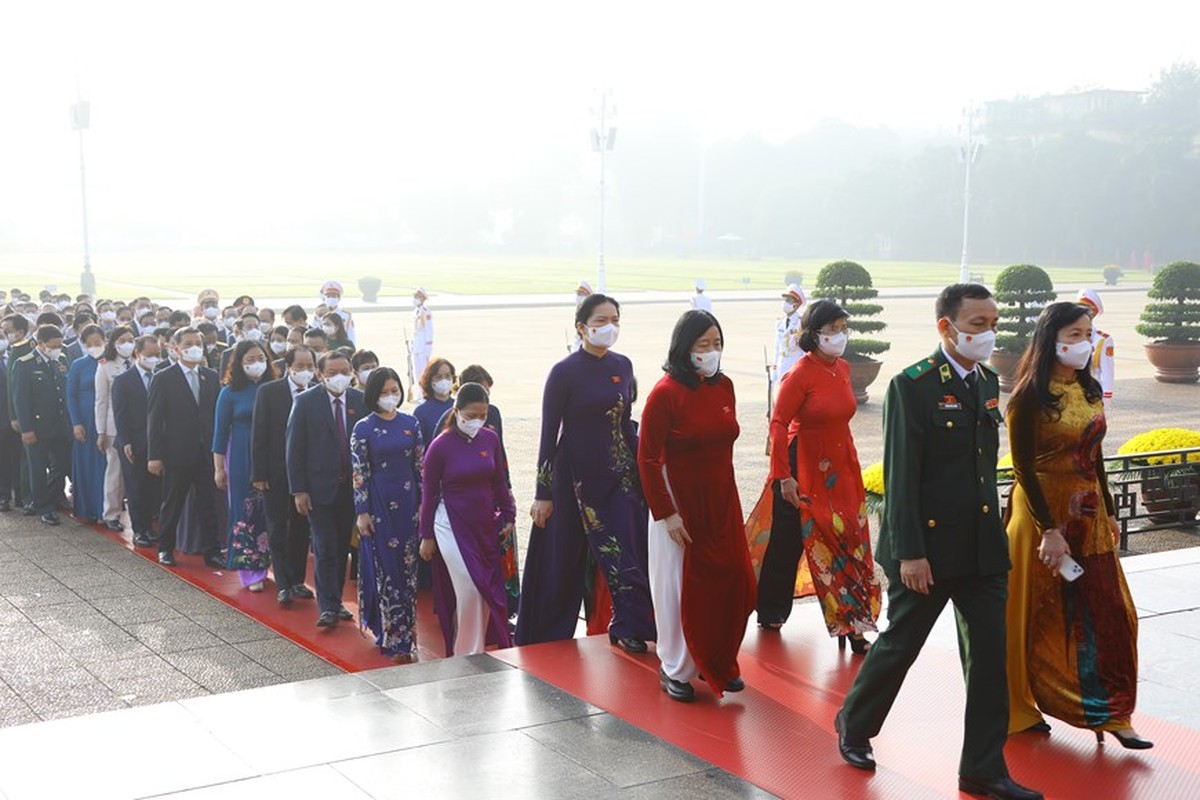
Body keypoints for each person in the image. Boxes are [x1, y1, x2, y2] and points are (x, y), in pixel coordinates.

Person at [835, 284, 1042, 800]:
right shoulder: (914, 385)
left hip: (981, 548)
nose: (988, 333)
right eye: (976, 324)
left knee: (990, 658)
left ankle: (982, 769)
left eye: (992, 322)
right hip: (925, 550)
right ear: (945, 328)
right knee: (902, 644)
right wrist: (908, 552)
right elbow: (902, 475)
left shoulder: (988, 382)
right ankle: (854, 725)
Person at [1004, 302, 1149, 748]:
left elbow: (1096, 456)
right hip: (1043, 517)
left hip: (1089, 515)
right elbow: (1023, 468)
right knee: (1041, 618)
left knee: (1112, 614)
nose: (1084, 342)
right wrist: (1049, 529)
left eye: (1088, 333)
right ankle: (1027, 706)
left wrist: (1108, 508)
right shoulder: (1029, 395)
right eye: (1073, 334)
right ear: (1051, 339)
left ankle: (1112, 712)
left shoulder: (1087, 391)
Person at [516, 294, 657, 651]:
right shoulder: (564, 373)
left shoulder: (624, 366)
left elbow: (626, 425)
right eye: (600, 320)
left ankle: (629, 626)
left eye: (615, 319)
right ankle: (547, 639)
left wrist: (642, 473)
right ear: (581, 327)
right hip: (572, 480)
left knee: (629, 551)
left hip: (618, 476)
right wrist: (542, 493)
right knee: (562, 561)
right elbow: (549, 435)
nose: (609, 327)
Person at [637, 310, 755, 702]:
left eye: (717, 344)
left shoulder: (725, 388)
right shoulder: (665, 393)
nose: (711, 352)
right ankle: (676, 668)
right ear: (684, 348)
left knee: (734, 579)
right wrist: (666, 512)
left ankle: (718, 661)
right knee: (677, 586)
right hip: (678, 503)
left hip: (721, 499)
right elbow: (648, 459)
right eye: (703, 345)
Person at [753, 299, 880, 650]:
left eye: (843, 328)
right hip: (802, 464)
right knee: (789, 541)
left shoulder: (841, 368)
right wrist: (783, 476)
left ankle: (854, 623)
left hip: (842, 465)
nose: (840, 335)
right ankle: (771, 610)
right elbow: (778, 424)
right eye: (833, 329)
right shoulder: (800, 374)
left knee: (850, 536)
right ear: (814, 334)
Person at [418, 382, 515, 656]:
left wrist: (508, 514)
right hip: (450, 524)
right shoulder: (440, 446)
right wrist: (426, 536)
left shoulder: (490, 439)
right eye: (471, 415)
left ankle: (472, 645)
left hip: (483, 524)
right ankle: (468, 654)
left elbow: (498, 481)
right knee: (470, 587)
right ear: (457, 411)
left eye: (482, 415)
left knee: (483, 589)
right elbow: (429, 494)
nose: (477, 421)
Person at [286, 350, 365, 627]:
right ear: (320, 375)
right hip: (319, 490)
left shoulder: (359, 400)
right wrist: (299, 490)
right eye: (332, 373)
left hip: (350, 490)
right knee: (324, 546)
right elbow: (294, 449)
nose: (339, 377)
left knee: (342, 547)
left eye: (344, 371)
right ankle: (328, 606)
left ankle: (337, 600)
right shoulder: (306, 402)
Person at [352, 368, 424, 662]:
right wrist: (361, 512)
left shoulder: (411, 423)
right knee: (386, 572)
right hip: (379, 505)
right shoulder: (363, 428)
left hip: (409, 505)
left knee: (409, 573)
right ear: (373, 395)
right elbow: (359, 473)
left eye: (394, 390)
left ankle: (407, 636)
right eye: (384, 392)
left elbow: (421, 467)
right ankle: (392, 636)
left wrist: (425, 504)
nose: (390, 396)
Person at [147, 327, 224, 568]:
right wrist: (154, 456)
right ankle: (166, 548)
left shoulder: (211, 376)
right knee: (172, 503)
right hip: (177, 453)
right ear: (176, 348)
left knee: (207, 504)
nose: (194, 347)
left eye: (197, 343)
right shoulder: (163, 377)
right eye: (188, 343)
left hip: (206, 453)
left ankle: (211, 551)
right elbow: (154, 419)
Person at [251, 345, 316, 606]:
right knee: (277, 526)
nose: (305, 371)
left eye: (310, 366)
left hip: (307, 474)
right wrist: (259, 472)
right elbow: (259, 434)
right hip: (275, 471)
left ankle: (298, 579)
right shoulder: (269, 392)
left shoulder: (316, 393)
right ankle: (283, 584)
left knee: (301, 528)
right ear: (288, 366)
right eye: (299, 366)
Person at [213, 340, 276, 592]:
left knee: (270, 511)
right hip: (240, 457)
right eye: (249, 360)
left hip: (271, 457)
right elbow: (219, 433)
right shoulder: (229, 393)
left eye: (260, 357)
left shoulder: (273, 389)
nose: (256, 363)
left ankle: (271, 564)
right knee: (245, 512)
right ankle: (250, 571)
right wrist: (219, 467)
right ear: (238, 364)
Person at [12, 325, 72, 526]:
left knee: (62, 464)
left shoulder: (59, 359)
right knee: (37, 468)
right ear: (41, 344)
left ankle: (48, 496)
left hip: (59, 425)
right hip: (37, 426)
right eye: (53, 345)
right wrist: (26, 428)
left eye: (59, 345)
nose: (57, 349)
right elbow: (21, 399)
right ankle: (43, 507)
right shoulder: (25, 364)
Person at [112, 335, 162, 548]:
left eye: (157, 355)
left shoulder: (161, 377)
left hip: (156, 443)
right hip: (133, 443)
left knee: (154, 489)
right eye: (149, 355)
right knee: (136, 489)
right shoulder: (123, 380)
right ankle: (140, 530)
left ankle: (151, 528)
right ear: (137, 353)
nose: (154, 359)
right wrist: (126, 442)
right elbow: (120, 414)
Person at [94, 325, 136, 531]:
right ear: (114, 343)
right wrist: (101, 431)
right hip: (114, 427)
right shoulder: (106, 366)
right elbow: (101, 401)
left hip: (138, 427)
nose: (127, 344)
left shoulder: (139, 362)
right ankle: (111, 513)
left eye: (131, 339)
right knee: (115, 472)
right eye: (122, 341)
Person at [66, 324, 108, 523]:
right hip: (85, 419)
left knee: (106, 466)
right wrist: (76, 423)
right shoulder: (78, 365)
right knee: (86, 465)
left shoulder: (109, 362)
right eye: (89, 344)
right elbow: (71, 396)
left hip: (106, 420)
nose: (94, 347)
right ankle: (88, 508)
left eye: (97, 343)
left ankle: (104, 509)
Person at [1075, 289, 1115, 403]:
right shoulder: (1069, 334)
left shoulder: (1102, 340)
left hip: (1091, 392)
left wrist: (1107, 398)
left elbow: (1107, 371)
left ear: (1092, 314)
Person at [413, 358, 456, 447]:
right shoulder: (421, 411)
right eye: (438, 377)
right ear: (430, 380)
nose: (444, 380)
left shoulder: (459, 406)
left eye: (448, 376)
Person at [773, 283, 805, 390]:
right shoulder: (779, 322)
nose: (785, 303)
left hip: (795, 361)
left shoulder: (801, 323)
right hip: (782, 362)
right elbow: (777, 347)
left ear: (796, 305)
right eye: (785, 300)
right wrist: (774, 367)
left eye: (789, 301)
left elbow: (805, 348)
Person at [410, 287, 433, 397]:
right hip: (416, 345)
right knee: (416, 371)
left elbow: (428, 330)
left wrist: (428, 345)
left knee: (423, 371)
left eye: (417, 297)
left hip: (423, 346)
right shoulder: (416, 311)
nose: (415, 299)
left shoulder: (425, 312)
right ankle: (418, 394)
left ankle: (424, 393)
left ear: (422, 299)